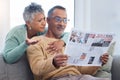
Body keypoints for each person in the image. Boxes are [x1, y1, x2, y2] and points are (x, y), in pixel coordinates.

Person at [26, 5, 109, 80]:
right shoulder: (36, 41)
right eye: (58, 19)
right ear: (48, 20)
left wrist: (98, 62)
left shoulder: (67, 42)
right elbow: (36, 69)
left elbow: (82, 70)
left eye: (65, 20)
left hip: (80, 77)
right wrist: (53, 62)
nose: (62, 24)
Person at [2, 3, 68, 64]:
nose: (44, 23)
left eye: (44, 19)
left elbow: (67, 34)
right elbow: (8, 58)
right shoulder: (15, 33)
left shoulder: (42, 30)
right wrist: (25, 44)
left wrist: (62, 42)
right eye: (39, 21)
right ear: (28, 23)